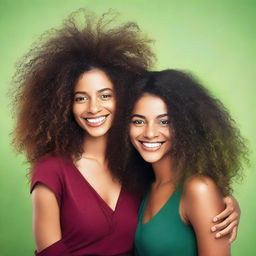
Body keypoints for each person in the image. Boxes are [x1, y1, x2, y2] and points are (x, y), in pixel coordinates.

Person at [11, 9, 240, 256]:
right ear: (62, 103)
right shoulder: (52, 169)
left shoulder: (136, 166)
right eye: (80, 97)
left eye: (105, 95)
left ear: (123, 99)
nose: (94, 107)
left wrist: (224, 203)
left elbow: (183, 202)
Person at [124, 69, 248, 256]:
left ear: (186, 125)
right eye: (138, 121)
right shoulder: (146, 184)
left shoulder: (199, 189)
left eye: (164, 122)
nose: (150, 133)